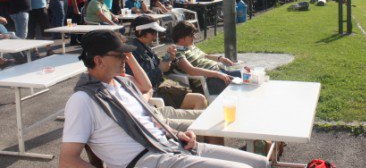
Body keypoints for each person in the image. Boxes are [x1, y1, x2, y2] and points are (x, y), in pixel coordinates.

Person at [60, 30, 269, 168]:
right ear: (98, 60)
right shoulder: (83, 100)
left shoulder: (122, 84)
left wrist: (179, 133)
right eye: (120, 55)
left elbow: (147, 116)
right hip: (148, 159)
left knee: (261, 163)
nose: (126, 59)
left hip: (172, 144)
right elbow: (67, 160)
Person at [127, 15, 207, 111]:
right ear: (140, 32)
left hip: (161, 88)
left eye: (156, 32)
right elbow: (139, 83)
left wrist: (170, 57)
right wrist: (160, 69)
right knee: (200, 100)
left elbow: (161, 65)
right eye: (153, 32)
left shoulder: (144, 46)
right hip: (153, 94)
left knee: (199, 98)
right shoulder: (132, 52)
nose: (156, 35)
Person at [172, 21, 244, 95]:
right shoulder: (177, 52)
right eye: (191, 35)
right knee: (238, 90)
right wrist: (217, 74)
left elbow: (205, 55)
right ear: (181, 37)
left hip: (220, 72)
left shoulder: (190, 46)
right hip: (209, 81)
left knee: (246, 75)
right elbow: (191, 70)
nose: (194, 37)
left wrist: (220, 58)